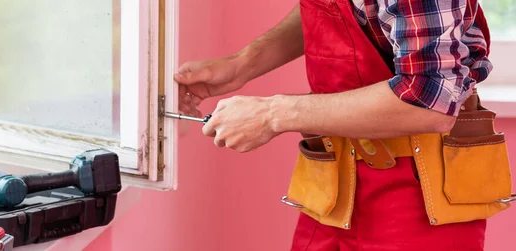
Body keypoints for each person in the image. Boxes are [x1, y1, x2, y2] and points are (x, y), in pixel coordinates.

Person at [175, 0, 511, 250]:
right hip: (335, 186)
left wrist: (271, 114)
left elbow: (429, 101)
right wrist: (240, 66)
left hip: (419, 194)